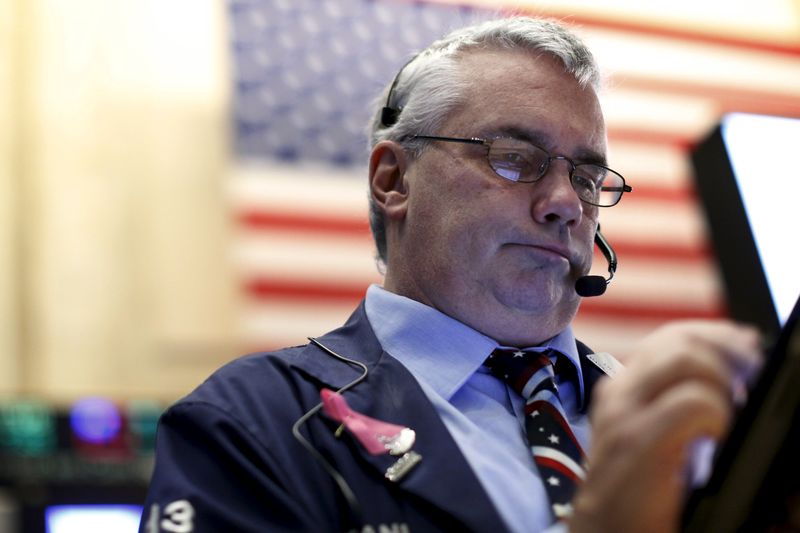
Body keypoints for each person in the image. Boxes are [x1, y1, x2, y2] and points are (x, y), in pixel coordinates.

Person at [139, 16, 762, 533]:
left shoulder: (679, 420)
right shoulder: (250, 423)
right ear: (394, 180)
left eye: (586, 177)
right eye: (516, 159)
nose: (566, 203)